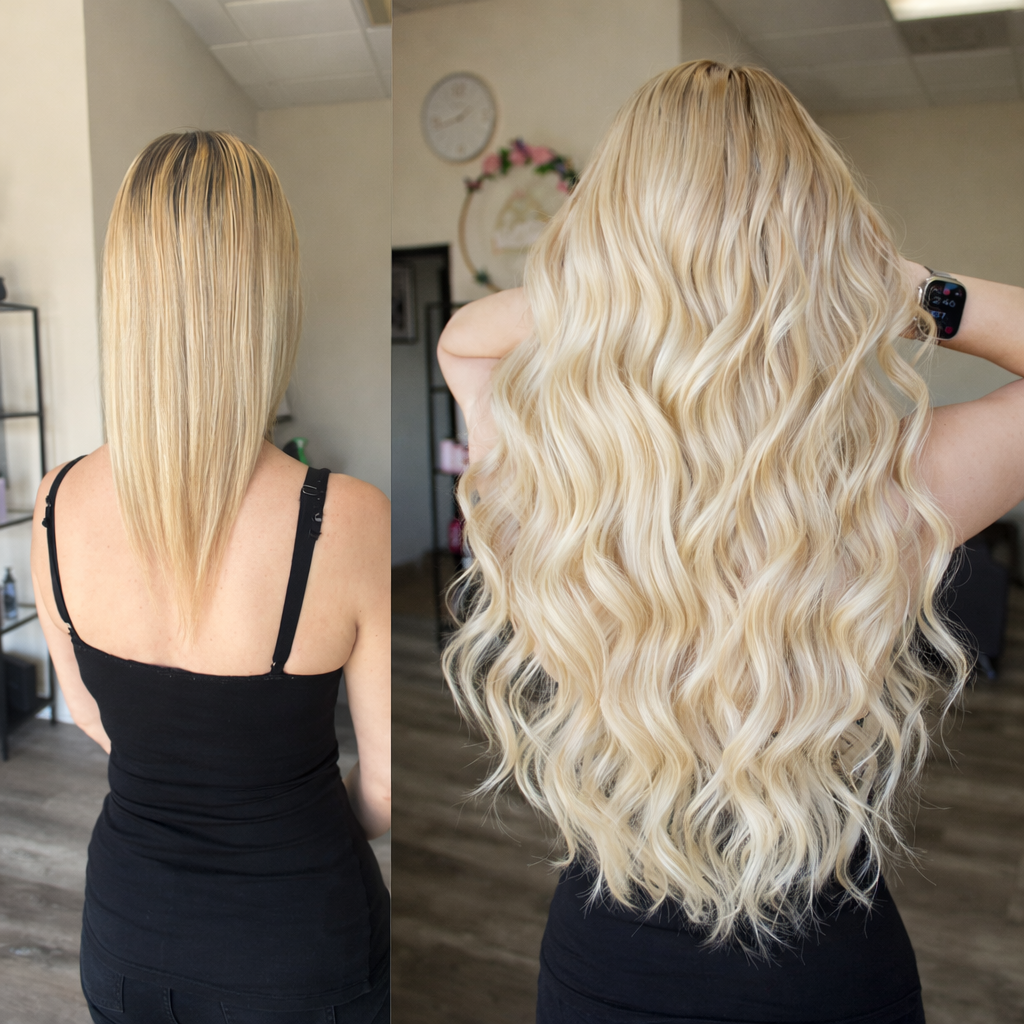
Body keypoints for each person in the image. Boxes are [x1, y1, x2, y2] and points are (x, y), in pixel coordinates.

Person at [437, 61, 1024, 1024]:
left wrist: (623, 286)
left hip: (601, 973)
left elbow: (464, 337)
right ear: (818, 241)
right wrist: (906, 288)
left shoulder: (559, 482)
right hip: (828, 980)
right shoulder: (889, 487)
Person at [29, 132, 391, 1023]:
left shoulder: (55, 500)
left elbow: (92, 715)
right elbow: (384, 792)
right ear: (269, 297)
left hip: (126, 939)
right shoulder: (347, 519)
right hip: (303, 947)